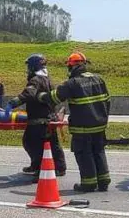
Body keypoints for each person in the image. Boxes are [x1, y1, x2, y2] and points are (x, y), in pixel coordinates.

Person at [38, 52, 111, 192]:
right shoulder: (99, 79)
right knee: (99, 151)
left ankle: (88, 183)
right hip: (100, 125)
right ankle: (103, 181)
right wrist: (103, 118)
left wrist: (39, 95)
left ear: (71, 67)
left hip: (82, 127)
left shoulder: (73, 83)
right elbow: (107, 101)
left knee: (84, 153)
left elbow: (53, 98)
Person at [7, 54, 66, 181]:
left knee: (31, 143)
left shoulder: (36, 79)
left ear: (33, 66)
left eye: (29, 66)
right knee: (52, 143)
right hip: (49, 117)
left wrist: (13, 103)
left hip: (39, 119)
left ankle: (40, 169)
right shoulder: (47, 78)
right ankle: (60, 168)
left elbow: (29, 93)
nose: (28, 69)